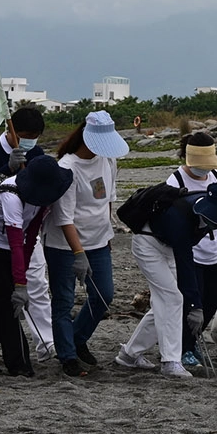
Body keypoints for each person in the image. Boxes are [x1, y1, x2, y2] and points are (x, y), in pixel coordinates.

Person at [115, 183, 217, 377]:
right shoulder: (179, 218)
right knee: (173, 298)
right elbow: (186, 263)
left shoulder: (206, 215)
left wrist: (194, 304)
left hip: (168, 246)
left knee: (166, 302)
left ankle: (129, 354)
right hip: (148, 244)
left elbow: (185, 261)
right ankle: (170, 361)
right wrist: (195, 305)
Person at [0, 156, 74, 376]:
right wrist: (21, 284)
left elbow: (29, 236)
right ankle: (18, 364)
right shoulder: (10, 196)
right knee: (9, 303)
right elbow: (14, 241)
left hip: (13, 245)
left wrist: (21, 277)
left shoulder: (43, 198)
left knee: (7, 301)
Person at [42, 111, 128, 376]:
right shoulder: (67, 168)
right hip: (64, 246)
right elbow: (64, 218)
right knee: (64, 300)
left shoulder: (108, 161)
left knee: (104, 294)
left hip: (98, 241)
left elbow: (108, 199)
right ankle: (67, 356)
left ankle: (78, 338)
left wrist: (108, 233)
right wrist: (78, 253)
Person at [0, 106, 53, 360]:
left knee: (37, 285)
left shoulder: (36, 153)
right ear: (10, 129)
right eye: (26, 134)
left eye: (35, 135)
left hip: (25, 228)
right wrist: (7, 169)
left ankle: (46, 342)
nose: (30, 141)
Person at [166, 132, 217, 370]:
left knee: (216, 297)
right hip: (190, 253)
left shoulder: (216, 176)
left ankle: (191, 340)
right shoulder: (175, 182)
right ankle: (184, 347)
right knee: (192, 301)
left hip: (214, 251)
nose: (204, 170)